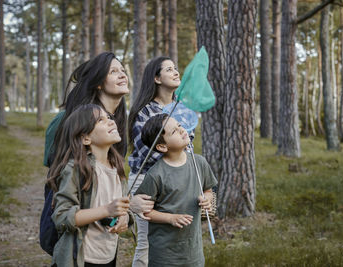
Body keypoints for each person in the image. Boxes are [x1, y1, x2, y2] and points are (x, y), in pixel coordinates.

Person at [43, 52, 154, 226]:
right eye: (113, 72)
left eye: (123, 70)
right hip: (74, 230)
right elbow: (62, 179)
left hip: (104, 234)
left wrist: (125, 210)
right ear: (99, 83)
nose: (123, 75)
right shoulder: (66, 120)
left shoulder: (115, 125)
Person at [47, 104, 131, 267]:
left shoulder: (117, 168)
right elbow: (62, 216)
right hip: (80, 258)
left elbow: (122, 207)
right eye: (101, 120)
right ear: (86, 138)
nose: (111, 122)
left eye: (109, 118)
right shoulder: (75, 169)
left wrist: (125, 217)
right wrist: (106, 210)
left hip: (108, 256)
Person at [134, 113, 217, 267]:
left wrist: (207, 199)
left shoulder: (199, 162)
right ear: (162, 146)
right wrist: (170, 219)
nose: (181, 130)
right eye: (174, 131)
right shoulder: (155, 174)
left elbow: (208, 189)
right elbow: (145, 212)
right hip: (164, 255)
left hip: (192, 251)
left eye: (179, 125)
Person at [127, 56, 182, 266]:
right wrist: (176, 158)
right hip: (146, 180)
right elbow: (146, 153)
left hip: (175, 180)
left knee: (173, 240)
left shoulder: (181, 108)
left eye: (176, 68)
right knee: (147, 243)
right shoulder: (145, 112)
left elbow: (188, 145)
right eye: (169, 69)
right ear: (157, 78)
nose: (176, 72)